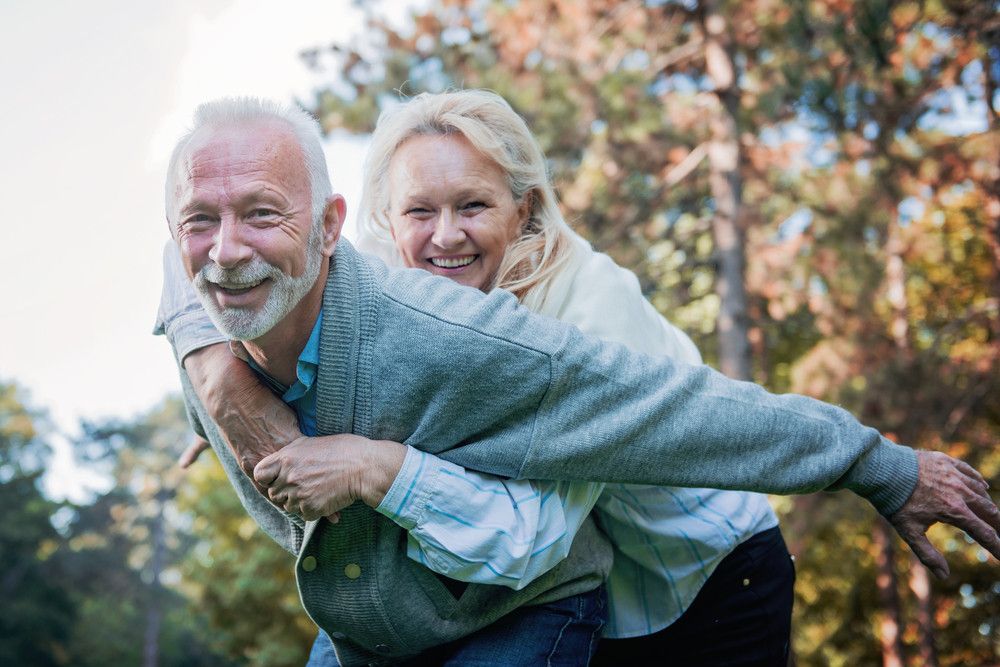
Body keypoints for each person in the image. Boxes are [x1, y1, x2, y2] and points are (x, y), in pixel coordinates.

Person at [157, 96, 999, 666]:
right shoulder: (358, 276)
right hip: (571, 586)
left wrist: (876, 463)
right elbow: (214, 248)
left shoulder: (577, 317)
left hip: (699, 580)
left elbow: (680, 427)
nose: (443, 236)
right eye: (420, 212)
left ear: (524, 210)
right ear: (377, 221)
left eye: (474, 207)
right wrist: (223, 367)